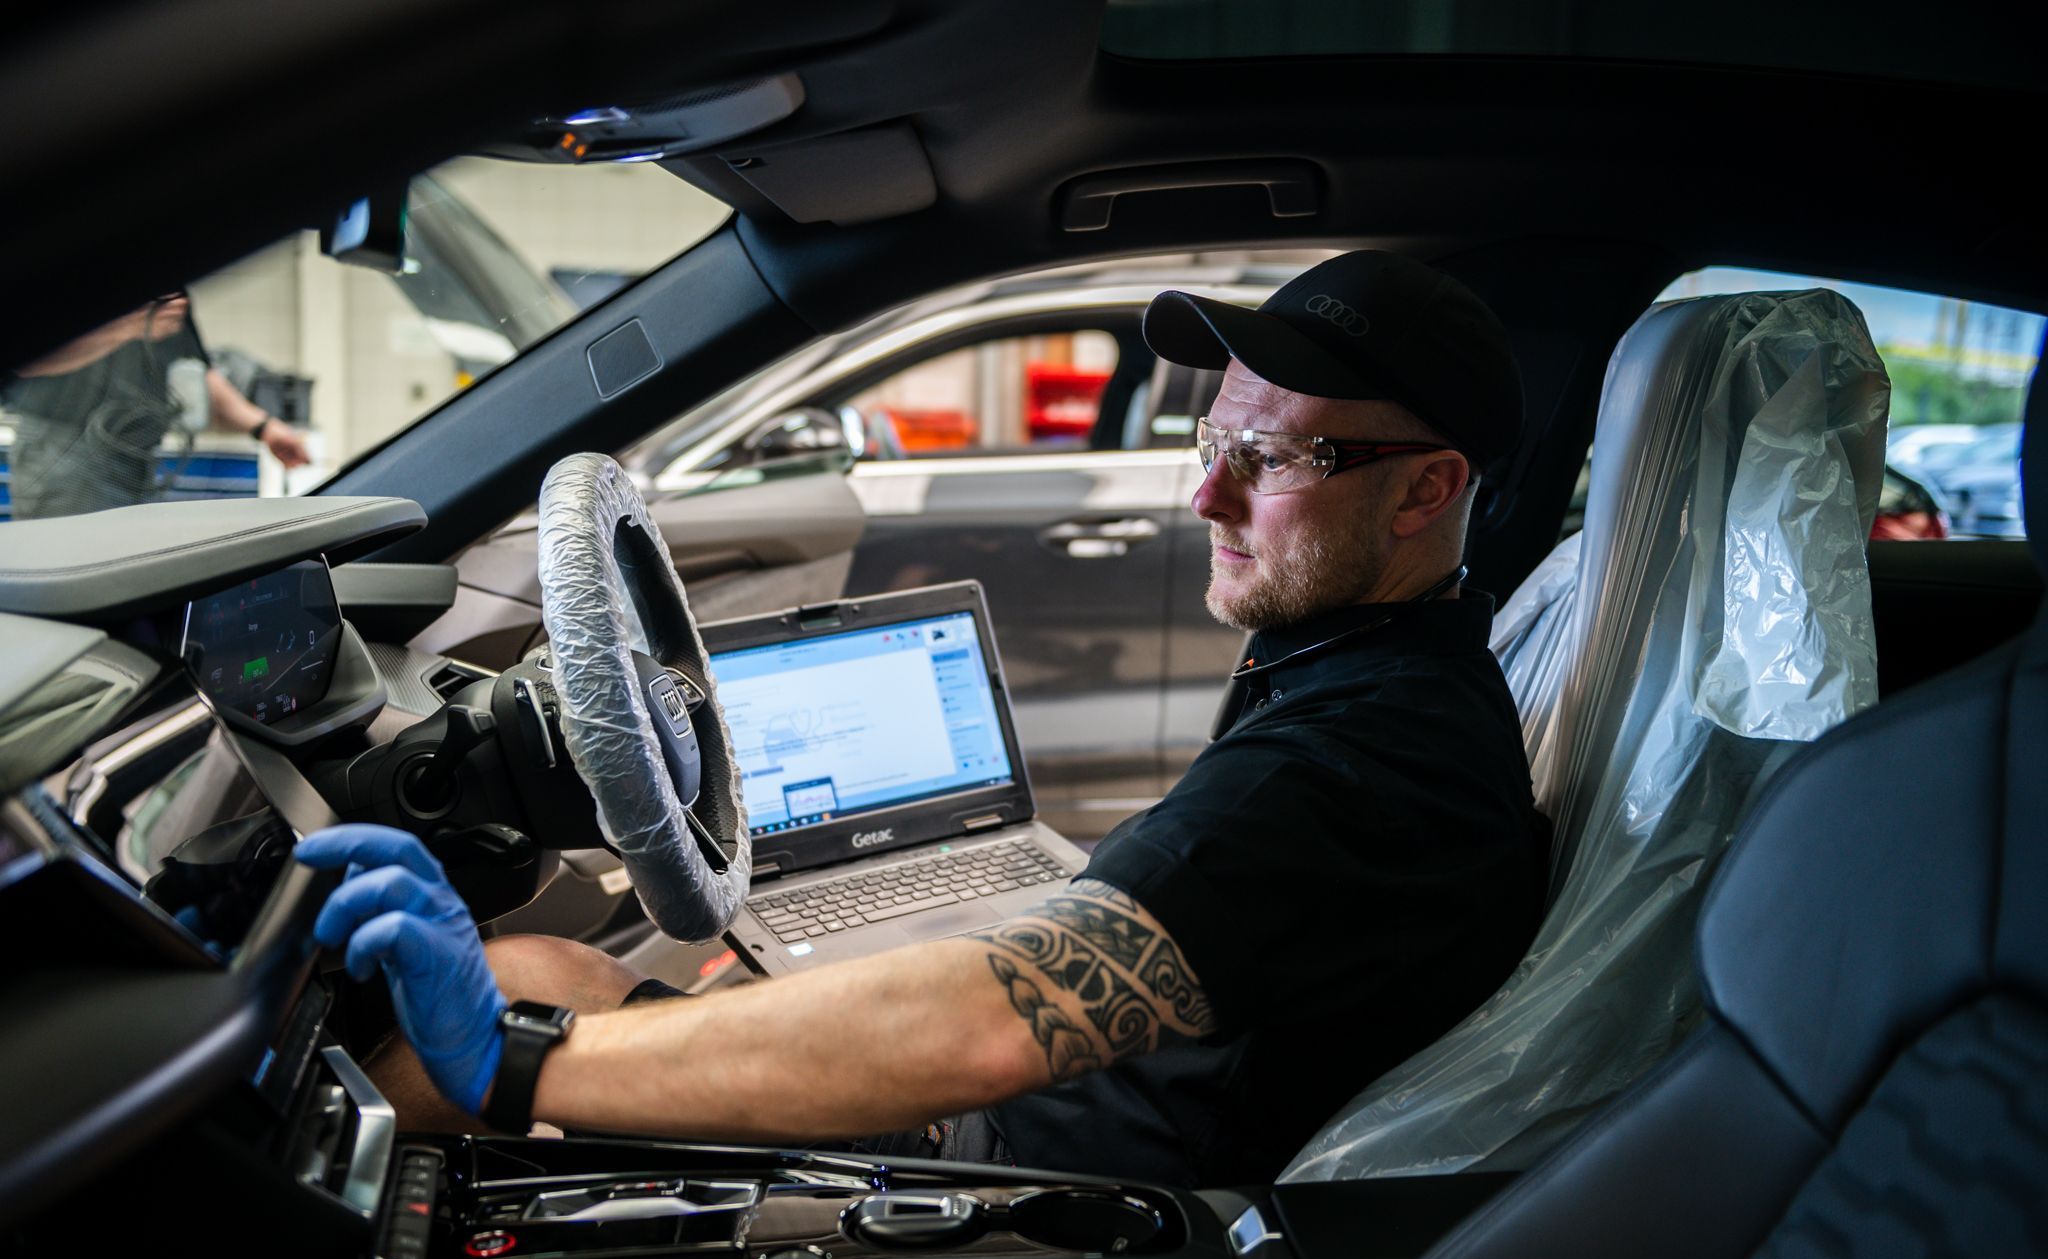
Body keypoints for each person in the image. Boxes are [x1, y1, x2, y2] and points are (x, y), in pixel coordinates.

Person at [301, 250, 1551, 1187]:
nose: (1201, 493)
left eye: (1271, 460)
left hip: (1022, 1188)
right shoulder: (1354, 667)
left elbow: (986, 1020)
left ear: (1424, 491)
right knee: (545, 966)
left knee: (500, 1015)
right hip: (1044, 1124)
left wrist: (514, 1067)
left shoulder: (1364, 760)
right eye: (1211, 436)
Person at [3, 290, 309, 519]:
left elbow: (198, 368)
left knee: (122, 582)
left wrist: (263, 426)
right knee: (74, 583)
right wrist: (128, 325)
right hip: (65, 456)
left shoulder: (161, 275)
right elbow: (25, 361)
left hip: (135, 459)